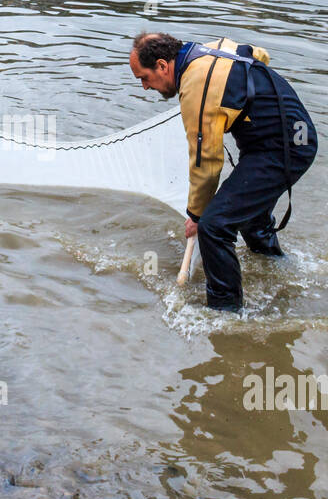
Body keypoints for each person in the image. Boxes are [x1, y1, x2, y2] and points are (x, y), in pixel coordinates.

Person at [129, 32, 317, 311]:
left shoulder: (196, 86)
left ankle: (225, 313)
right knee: (249, 217)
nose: (145, 87)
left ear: (162, 65)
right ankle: (278, 269)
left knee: (214, 226)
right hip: (288, 136)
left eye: (143, 77)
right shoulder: (207, 51)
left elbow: (206, 161)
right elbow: (259, 55)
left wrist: (196, 214)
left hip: (282, 148)